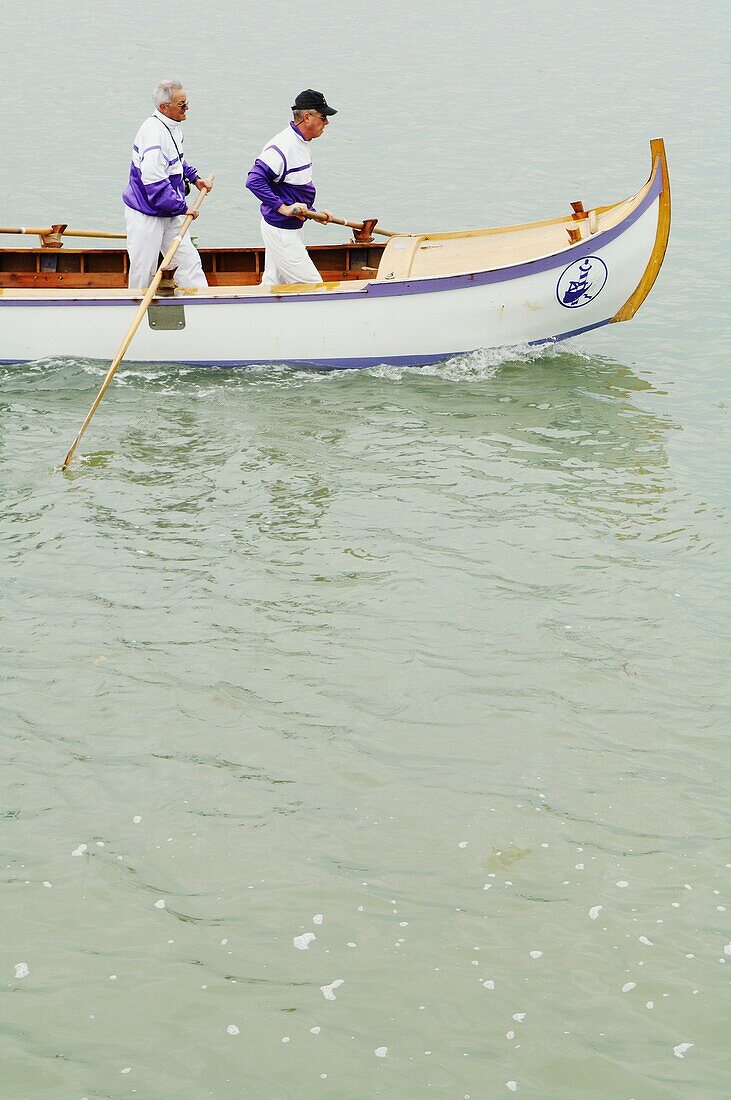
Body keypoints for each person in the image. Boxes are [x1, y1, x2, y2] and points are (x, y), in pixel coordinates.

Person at [122, 80, 213, 290]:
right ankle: (136, 308)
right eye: (182, 104)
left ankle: (201, 304)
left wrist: (194, 178)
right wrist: (183, 208)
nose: (187, 108)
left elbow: (177, 161)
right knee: (144, 271)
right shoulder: (153, 134)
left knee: (189, 263)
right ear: (164, 107)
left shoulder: (172, 129)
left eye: (186, 102)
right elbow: (154, 185)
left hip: (169, 211)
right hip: (147, 214)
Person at [246, 89, 336, 286]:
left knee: (273, 285)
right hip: (281, 230)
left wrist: (314, 213)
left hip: (288, 229)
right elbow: (254, 180)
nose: (327, 122)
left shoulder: (301, 143)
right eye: (324, 117)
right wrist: (283, 208)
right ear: (307, 117)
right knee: (314, 287)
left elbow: (292, 189)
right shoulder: (283, 146)